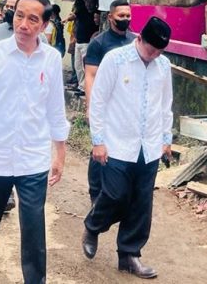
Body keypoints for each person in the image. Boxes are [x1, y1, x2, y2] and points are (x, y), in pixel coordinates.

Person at [0, 0, 68, 284]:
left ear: (45, 25)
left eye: (33, 19)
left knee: (34, 227)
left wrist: (60, 152)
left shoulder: (52, 59)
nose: (23, 24)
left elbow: (56, 108)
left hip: (33, 158)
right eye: (20, 15)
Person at [82, 17, 172, 279]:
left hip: (150, 144)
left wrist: (166, 139)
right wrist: (97, 140)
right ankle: (93, 226)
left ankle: (129, 255)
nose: (154, 55)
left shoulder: (163, 65)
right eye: (151, 49)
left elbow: (166, 104)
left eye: (159, 52)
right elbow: (98, 101)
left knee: (142, 202)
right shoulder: (115, 60)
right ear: (139, 39)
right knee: (116, 194)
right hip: (117, 142)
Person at [83, 0, 133, 202]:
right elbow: (90, 76)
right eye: (121, 16)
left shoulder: (134, 42)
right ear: (110, 17)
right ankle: (96, 192)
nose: (125, 19)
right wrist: (91, 106)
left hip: (125, 107)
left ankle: (119, 193)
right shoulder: (99, 43)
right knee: (100, 147)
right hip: (104, 105)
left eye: (128, 16)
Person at [69, 0, 98, 90]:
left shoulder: (96, 14)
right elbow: (74, 15)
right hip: (78, 42)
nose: (88, 4)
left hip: (87, 43)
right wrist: (67, 19)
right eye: (87, 2)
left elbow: (98, 27)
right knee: (77, 66)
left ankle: (87, 87)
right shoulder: (82, 11)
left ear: (95, 3)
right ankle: (81, 86)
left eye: (91, 2)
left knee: (85, 66)